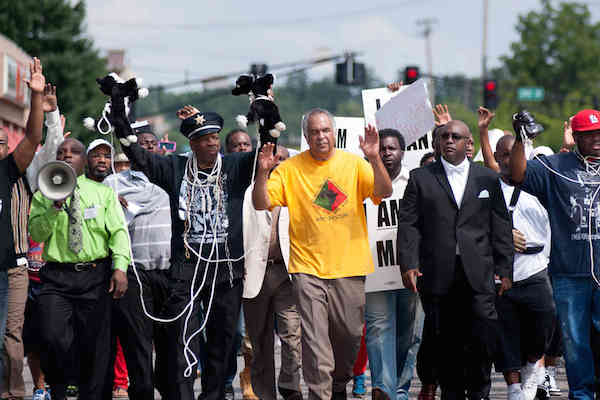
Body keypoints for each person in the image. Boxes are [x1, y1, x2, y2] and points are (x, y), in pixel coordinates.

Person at [252, 108, 392, 400]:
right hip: (307, 270)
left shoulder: (354, 164)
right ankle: (321, 393)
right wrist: (263, 173)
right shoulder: (291, 170)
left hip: (349, 268)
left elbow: (384, 191)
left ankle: (339, 383)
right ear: (306, 136)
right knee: (316, 344)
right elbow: (261, 203)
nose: (320, 136)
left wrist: (375, 157)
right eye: (314, 132)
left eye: (325, 130)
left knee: (350, 338)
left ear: (334, 133)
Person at [118, 105, 255, 400]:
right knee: (182, 342)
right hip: (186, 271)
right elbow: (137, 155)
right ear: (192, 143)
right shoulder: (174, 169)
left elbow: (265, 151)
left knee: (222, 342)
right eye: (204, 139)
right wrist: (120, 111)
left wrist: (264, 107)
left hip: (226, 270)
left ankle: (214, 395)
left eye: (215, 137)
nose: (212, 143)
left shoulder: (233, 166)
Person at [397, 119, 513, 399]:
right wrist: (409, 263)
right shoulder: (420, 178)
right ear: (437, 142)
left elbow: (500, 225)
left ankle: (479, 391)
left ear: (467, 143)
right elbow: (409, 224)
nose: (449, 140)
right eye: (444, 136)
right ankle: (451, 392)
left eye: (456, 137)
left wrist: (505, 268)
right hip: (438, 273)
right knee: (444, 339)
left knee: (483, 334)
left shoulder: (487, 178)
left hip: (479, 273)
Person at [28, 137, 130, 400]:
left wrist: (120, 267)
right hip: (56, 278)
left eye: (74, 152)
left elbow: (118, 232)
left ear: (83, 160)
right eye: (61, 152)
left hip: (95, 276)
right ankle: (59, 387)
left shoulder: (103, 193)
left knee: (96, 344)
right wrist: (54, 207)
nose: (67, 155)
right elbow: (37, 233)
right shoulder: (43, 194)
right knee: (51, 335)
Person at [510, 109, 600, 399]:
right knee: (575, 342)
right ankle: (582, 394)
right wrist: (521, 139)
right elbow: (518, 174)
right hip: (568, 274)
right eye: (588, 135)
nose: (596, 140)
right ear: (575, 137)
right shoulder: (555, 166)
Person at [478, 107, 556, 400]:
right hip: (502, 269)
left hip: (535, 267)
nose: (511, 159)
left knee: (545, 319)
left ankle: (532, 367)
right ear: (498, 157)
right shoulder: (488, 186)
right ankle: (513, 387)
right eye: (505, 154)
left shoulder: (539, 184)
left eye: (516, 152)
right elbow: (473, 223)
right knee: (505, 330)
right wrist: (501, 236)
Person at [103, 120, 172, 400]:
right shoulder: (113, 182)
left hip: (169, 274)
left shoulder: (171, 176)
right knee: (137, 343)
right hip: (133, 274)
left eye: (151, 145)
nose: (145, 149)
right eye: (140, 145)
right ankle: (141, 392)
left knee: (168, 346)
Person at [364, 128, 422, 400]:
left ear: (403, 152)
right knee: (377, 330)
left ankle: (399, 388)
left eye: (392, 148)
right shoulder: (360, 179)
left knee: (409, 335)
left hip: (410, 271)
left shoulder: (416, 182)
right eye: (383, 148)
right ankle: (382, 388)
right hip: (374, 270)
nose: (387, 153)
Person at [241, 145, 302, 400]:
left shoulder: (298, 191)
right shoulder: (248, 193)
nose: (278, 163)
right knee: (259, 340)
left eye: (284, 159)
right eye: (273, 159)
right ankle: (265, 393)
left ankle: (290, 386)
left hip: (287, 274)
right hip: (255, 273)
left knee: (292, 335)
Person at [0, 57, 45, 399]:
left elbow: (33, 136)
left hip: (12, 269)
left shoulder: (9, 170)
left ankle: (14, 393)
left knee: (11, 335)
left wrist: (37, 99)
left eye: (1, 142)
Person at [223, 127, 256, 400]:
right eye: (236, 145)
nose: (242, 149)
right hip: (226, 269)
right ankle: (225, 381)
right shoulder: (222, 183)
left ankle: (250, 382)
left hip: (257, 269)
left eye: (246, 145)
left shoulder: (263, 180)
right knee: (231, 331)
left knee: (249, 332)